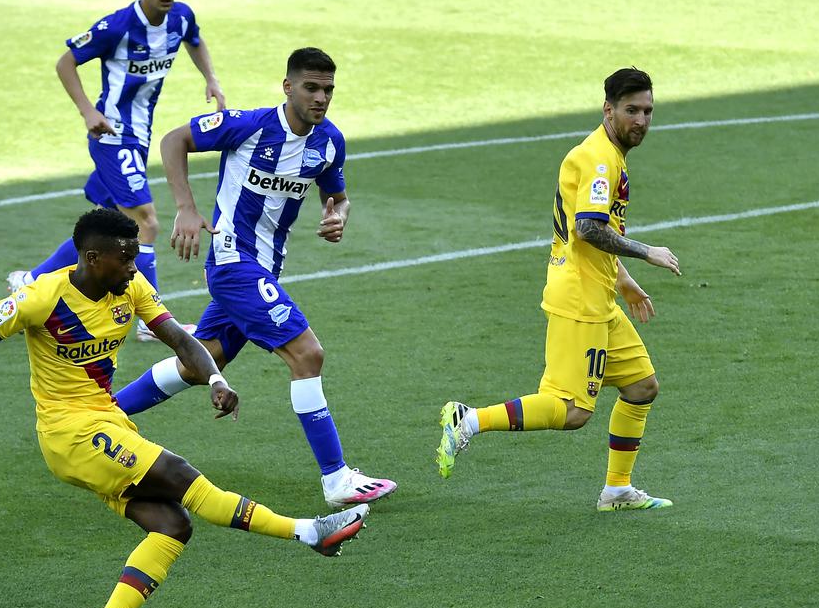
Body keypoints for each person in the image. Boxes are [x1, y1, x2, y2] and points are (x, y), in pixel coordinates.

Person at [0, 208, 369, 608]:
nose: (134, 266)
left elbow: (182, 341)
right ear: (92, 257)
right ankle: (308, 532)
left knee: (172, 526)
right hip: (69, 434)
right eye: (125, 257)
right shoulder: (42, 297)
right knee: (179, 474)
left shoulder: (130, 288)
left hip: (106, 423)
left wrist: (215, 380)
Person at [112, 48, 397, 508]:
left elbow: (338, 197)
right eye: (311, 87)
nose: (321, 98)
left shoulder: (329, 142)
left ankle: (99, 417)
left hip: (265, 266)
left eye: (328, 90)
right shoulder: (249, 125)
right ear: (288, 87)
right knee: (307, 354)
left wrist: (337, 216)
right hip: (232, 262)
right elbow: (172, 140)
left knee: (201, 362)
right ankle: (336, 478)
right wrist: (186, 206)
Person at [435, 68, 682, 511]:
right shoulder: (600, 159)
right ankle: (468, 420)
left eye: (647, 111)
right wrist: (647, 253)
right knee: (571, 411)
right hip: (579, 300)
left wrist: (623, 282)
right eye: (631, 111)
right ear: (609, 110)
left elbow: (583, 228)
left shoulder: (607, 154)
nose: (641, 120)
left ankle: (617, 490)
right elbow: (588, 228)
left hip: (599, 295)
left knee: (642, 386)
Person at [6, 0, 223, 343]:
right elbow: (66, 62)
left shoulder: (181, 17)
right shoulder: (117, 27)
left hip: (139, 136)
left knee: (105, 223)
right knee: (147, 223)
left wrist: (211, 79)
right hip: (112, 134)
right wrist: (88, 111)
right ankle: (149, 319)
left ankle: (32, 280)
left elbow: (195, 40)